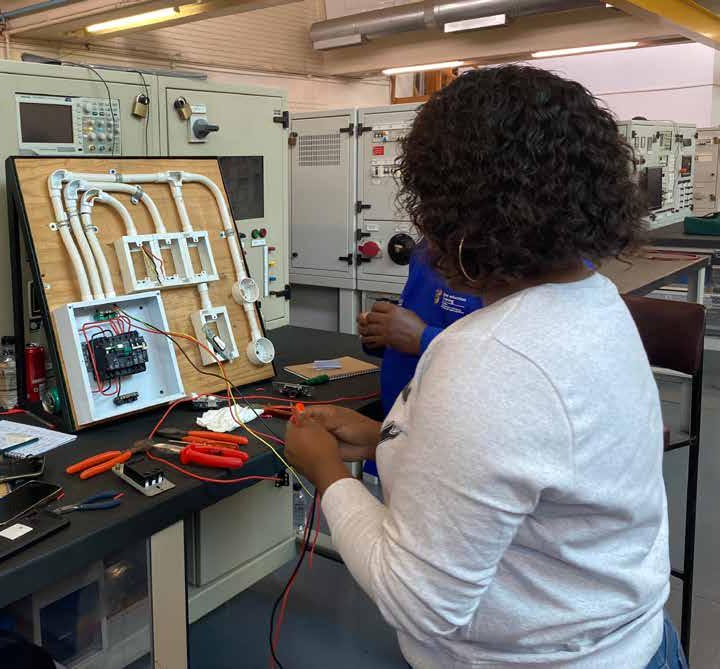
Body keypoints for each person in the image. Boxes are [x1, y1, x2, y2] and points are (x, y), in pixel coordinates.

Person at [285, 65, 683, 668]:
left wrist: (327, 473)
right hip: (632, 643)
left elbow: (418, 601)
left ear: (454, 212)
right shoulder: (594, 301)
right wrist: (384, 438)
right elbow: (527, 468)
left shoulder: (490, 357)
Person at [359, 247, 481, 418]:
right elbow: (419, 325)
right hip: (399, 414)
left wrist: (422, 338)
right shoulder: (423, 251)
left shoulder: (499, 264)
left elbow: (499, 358)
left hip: (449, 417)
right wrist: (383, 333)